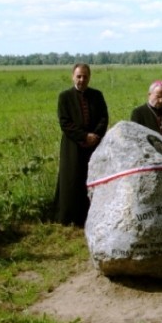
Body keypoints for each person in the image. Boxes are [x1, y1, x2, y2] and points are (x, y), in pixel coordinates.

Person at [53, 63, 108, 227]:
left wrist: (95, 135)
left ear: (89, 77)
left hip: (94, 145)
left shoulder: (97, 95)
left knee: (92, 178)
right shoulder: (65, 97)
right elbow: (65, 123)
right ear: (73, 76)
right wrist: (84, 136)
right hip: (73, 146)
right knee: (72, 180)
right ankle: (69, 218)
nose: (82, 80)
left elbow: (104, 118)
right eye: (79, 76)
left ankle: (91, 215)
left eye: (85, 76)